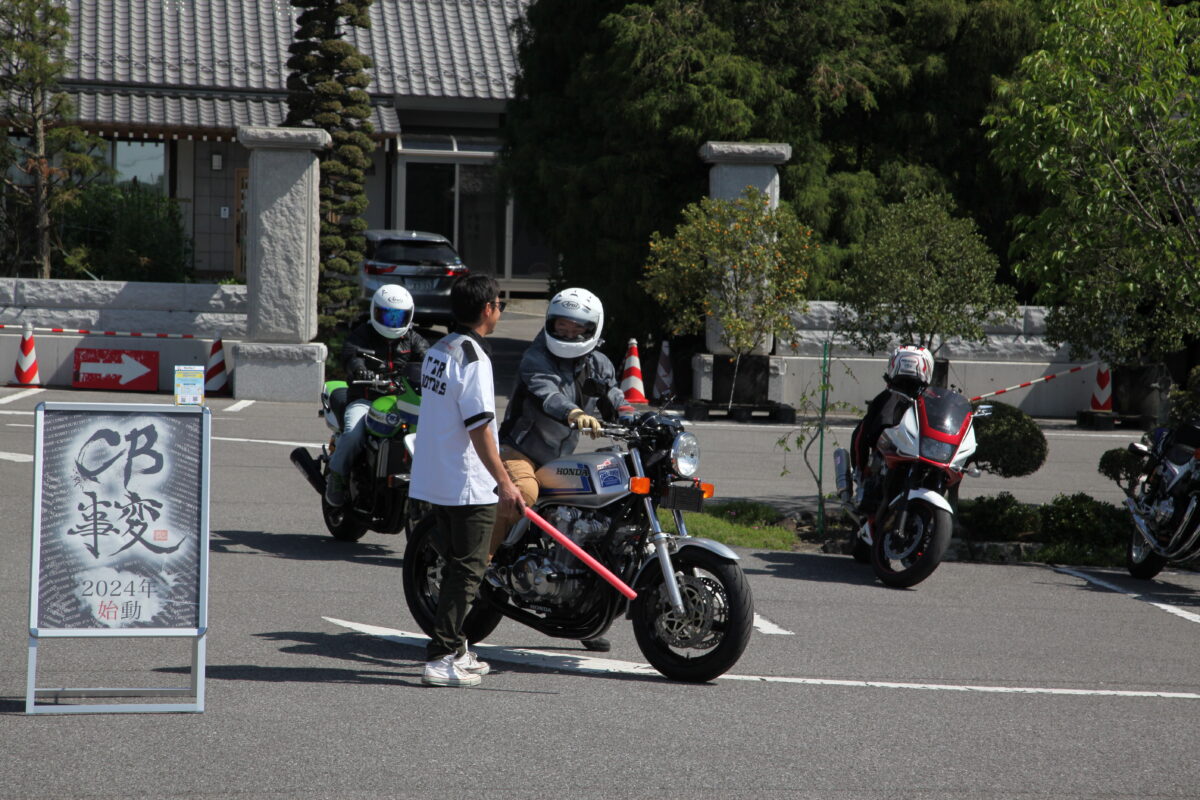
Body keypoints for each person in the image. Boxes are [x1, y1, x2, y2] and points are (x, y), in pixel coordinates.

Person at [491, 287, 632, 652]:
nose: (568, 334)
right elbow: (547, 393)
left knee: (598, 513)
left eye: (577, 328)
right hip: (518, 451)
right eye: (562, 326)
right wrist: (574, 413)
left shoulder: (599, 363)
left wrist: (634, 417)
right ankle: (480, 566)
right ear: (550, 324)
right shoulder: (536, 356)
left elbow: (613, 396)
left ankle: (584, 611)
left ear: (593, 329)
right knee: (525, 494)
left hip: (556, 460)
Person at [410, 275, 524, 687]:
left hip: (435, 475)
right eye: (499, 304)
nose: (500, 310)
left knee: (455, 565)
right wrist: (505, 482)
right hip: (465, 482)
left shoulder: (438, 349)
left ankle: (457, 649)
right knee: (468, 570)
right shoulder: (474, 359)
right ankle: (441, 657)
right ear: (487, 309)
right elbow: (479, 429)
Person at [325, 285, 430, 507]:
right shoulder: (363, 334)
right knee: (353, 435)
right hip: (365, 399)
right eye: (388, 315)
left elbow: (428, 359)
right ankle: (337, 476)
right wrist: (359, 369)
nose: (393, 321)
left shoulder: (413, 339)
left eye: (398, 316)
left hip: (401, 400)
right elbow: (350, 354)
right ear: (375, 311)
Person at [850, 344, 934, 514]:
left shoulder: (891, 397)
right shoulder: (890, 398)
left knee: (860, 432)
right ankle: (861, 477)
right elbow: (865, 435)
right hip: (892, 458)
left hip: (916, 455)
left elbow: (864, 435)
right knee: (861, 433)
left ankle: (861, 475)